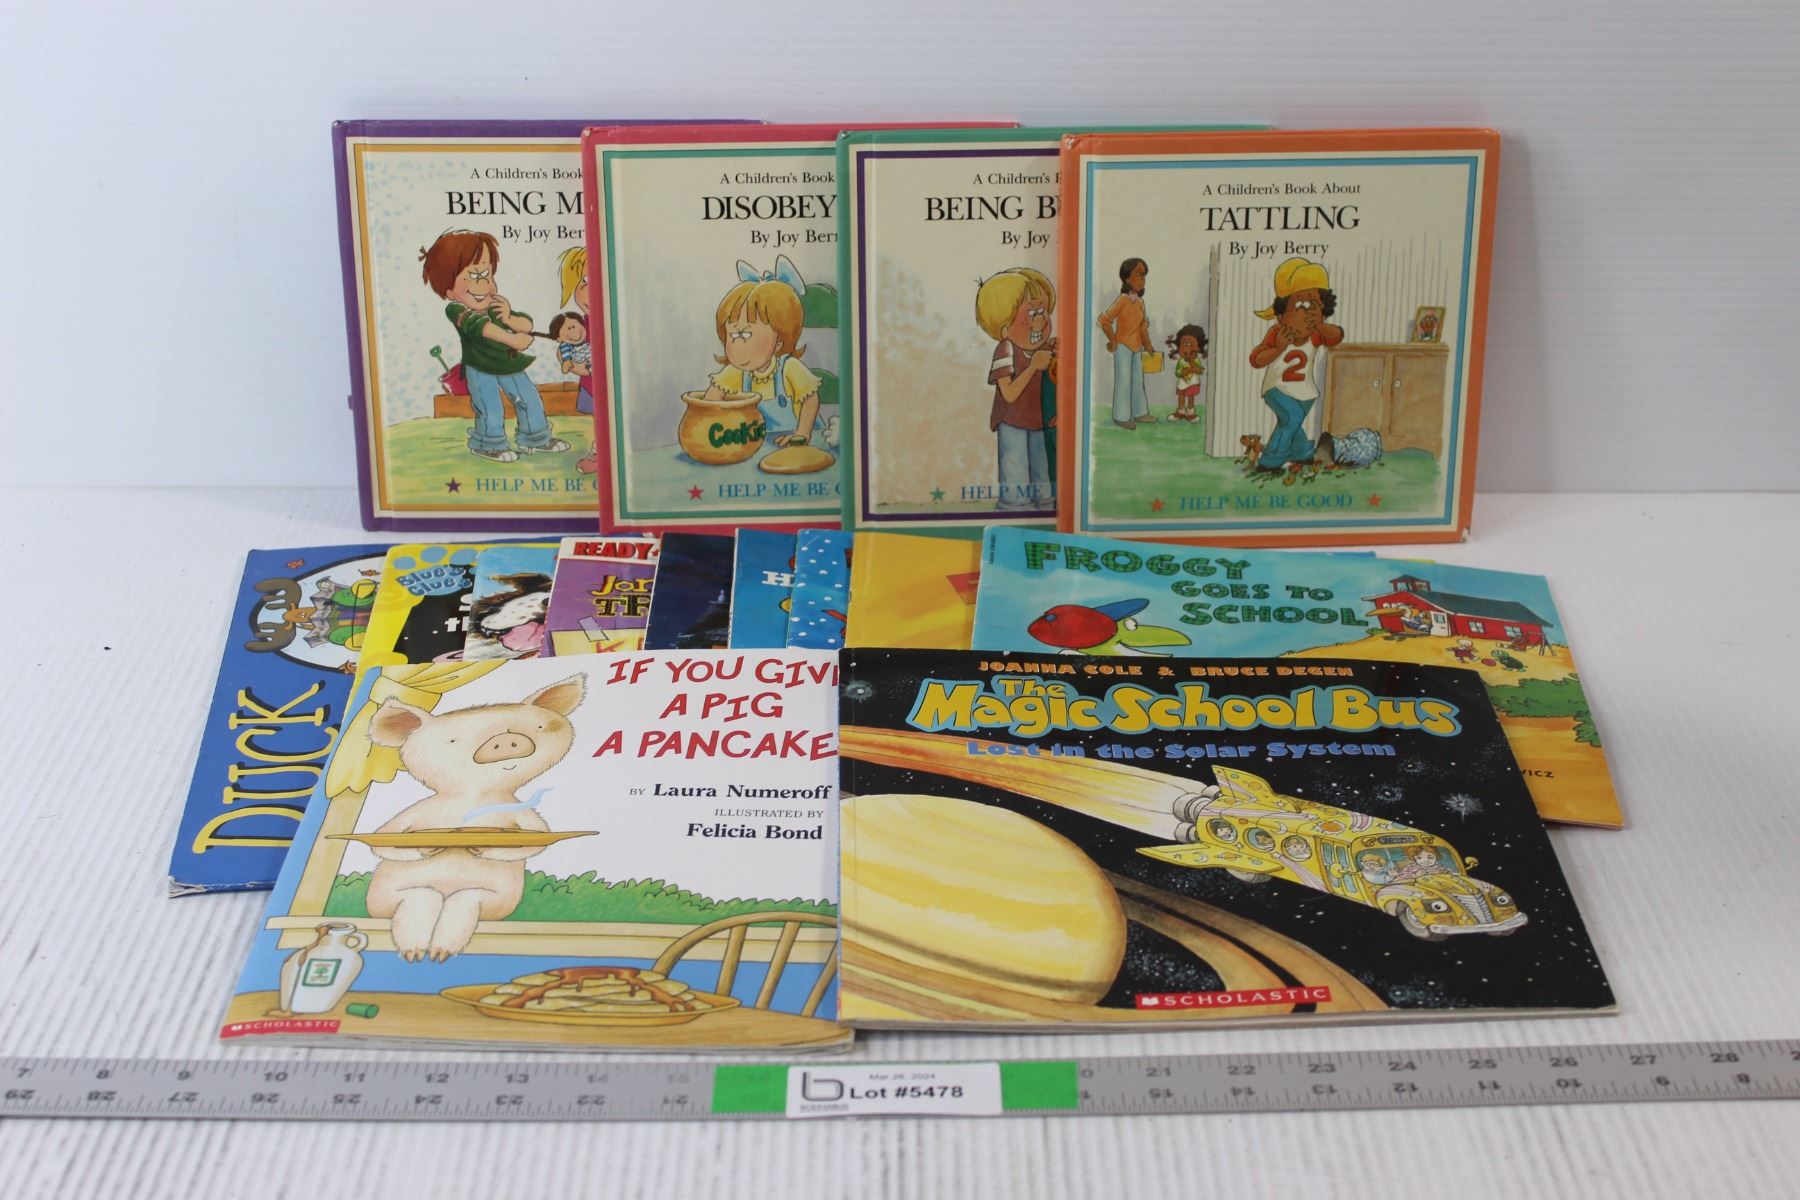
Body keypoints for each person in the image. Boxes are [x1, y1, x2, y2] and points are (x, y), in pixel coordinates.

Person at [420, 230, 568, 463]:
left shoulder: (495, 304)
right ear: (449, 290)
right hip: (480, 368)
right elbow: (482, 328)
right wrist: (513, 340)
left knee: (528, 398)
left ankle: (536, 438)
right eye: (472, 276)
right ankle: (488, 445)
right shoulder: (457, 310)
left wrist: (509, 318)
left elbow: (526, 324)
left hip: (509, 362)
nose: (483, 283)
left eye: (486, 274)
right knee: (490, 407)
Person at [701, 256, 823, 456]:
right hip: (756, 444)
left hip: (798, 443)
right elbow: (711, 400)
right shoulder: (735, 372)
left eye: (747, 335)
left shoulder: (789, 368)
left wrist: (801, 434)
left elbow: (810, 400)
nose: (739, 344)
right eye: (733, 335)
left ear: (779, 342)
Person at [1248, 257, 1343, 471]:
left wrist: (1320, 325)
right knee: (1292, 417)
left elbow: (1337, 336)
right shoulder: (1277, 333)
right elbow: (1256, 360)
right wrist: (1278, 348)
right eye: (1299, 306)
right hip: (1277, 389)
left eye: (1313, 306)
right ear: (1281, 316)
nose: (1306, 313)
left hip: (1305, 392)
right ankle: (1270, 461)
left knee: (1292, 423)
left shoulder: (1316, 333)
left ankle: (1301, 453)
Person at [975, 267, 1057, 510]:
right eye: (1031, 314)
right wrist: (1033, 367)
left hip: (1038, 421)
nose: (1040, 321)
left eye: (1043, 312)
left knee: (1042, 470)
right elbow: (1009, 394)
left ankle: (1045, 505)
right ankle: (1014, 508)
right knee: (1015, 470)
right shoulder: (1006, 350)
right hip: (1012, 422)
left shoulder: (1043, 348)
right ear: (1004, 328)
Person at [1097, 258, 1156, 430]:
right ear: (1127, 278)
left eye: (1143, 275)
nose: (1142, 279)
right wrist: (1113, 340)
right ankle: (1121, 416)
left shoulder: (1140, 302)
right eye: (1138, 274)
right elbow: (1104, 320)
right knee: (1124, 381)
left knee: (1138, 380)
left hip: (1137, 347)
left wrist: (1148, 345)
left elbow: (1143, 327)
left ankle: (1140, 413)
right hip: (1123, 346)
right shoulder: (1123, 300)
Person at [557, 246, 598, 473]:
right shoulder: (581, 324)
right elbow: (566, 346)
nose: (590, 290)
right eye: (584, 282)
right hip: (592, 385)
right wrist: (571, 364)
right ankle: (599, 452)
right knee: (598, 419)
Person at [1166, 323, 1207, 423]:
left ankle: (1190, 413)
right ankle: (1180, 412)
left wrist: (1192, 363)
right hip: (1182, 383)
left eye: (1188, 345)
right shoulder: (1181, 361)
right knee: (1181, 396)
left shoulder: (1196, 361)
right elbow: (1178, 372)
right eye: (1182, 345)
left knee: (1191, 397)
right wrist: (1184, 371)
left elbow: (1200, 370)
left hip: (1192, 383)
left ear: (1197, 348)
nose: (1185, 348)